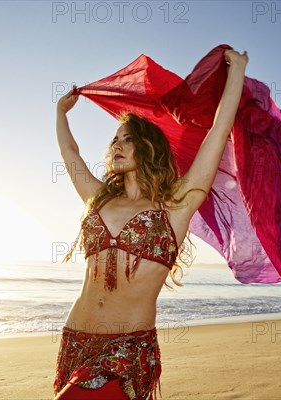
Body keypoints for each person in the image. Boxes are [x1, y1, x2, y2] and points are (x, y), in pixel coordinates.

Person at [53, 49, 248, 400]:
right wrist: (60, 113)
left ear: (148, 147)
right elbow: (70, 156)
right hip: (76, 339)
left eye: (129, 139)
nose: (118, 144)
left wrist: (237, 73)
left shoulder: (175, 206)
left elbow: (218, 133)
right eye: (115, 139)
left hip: (126, 350)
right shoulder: (99, 199)